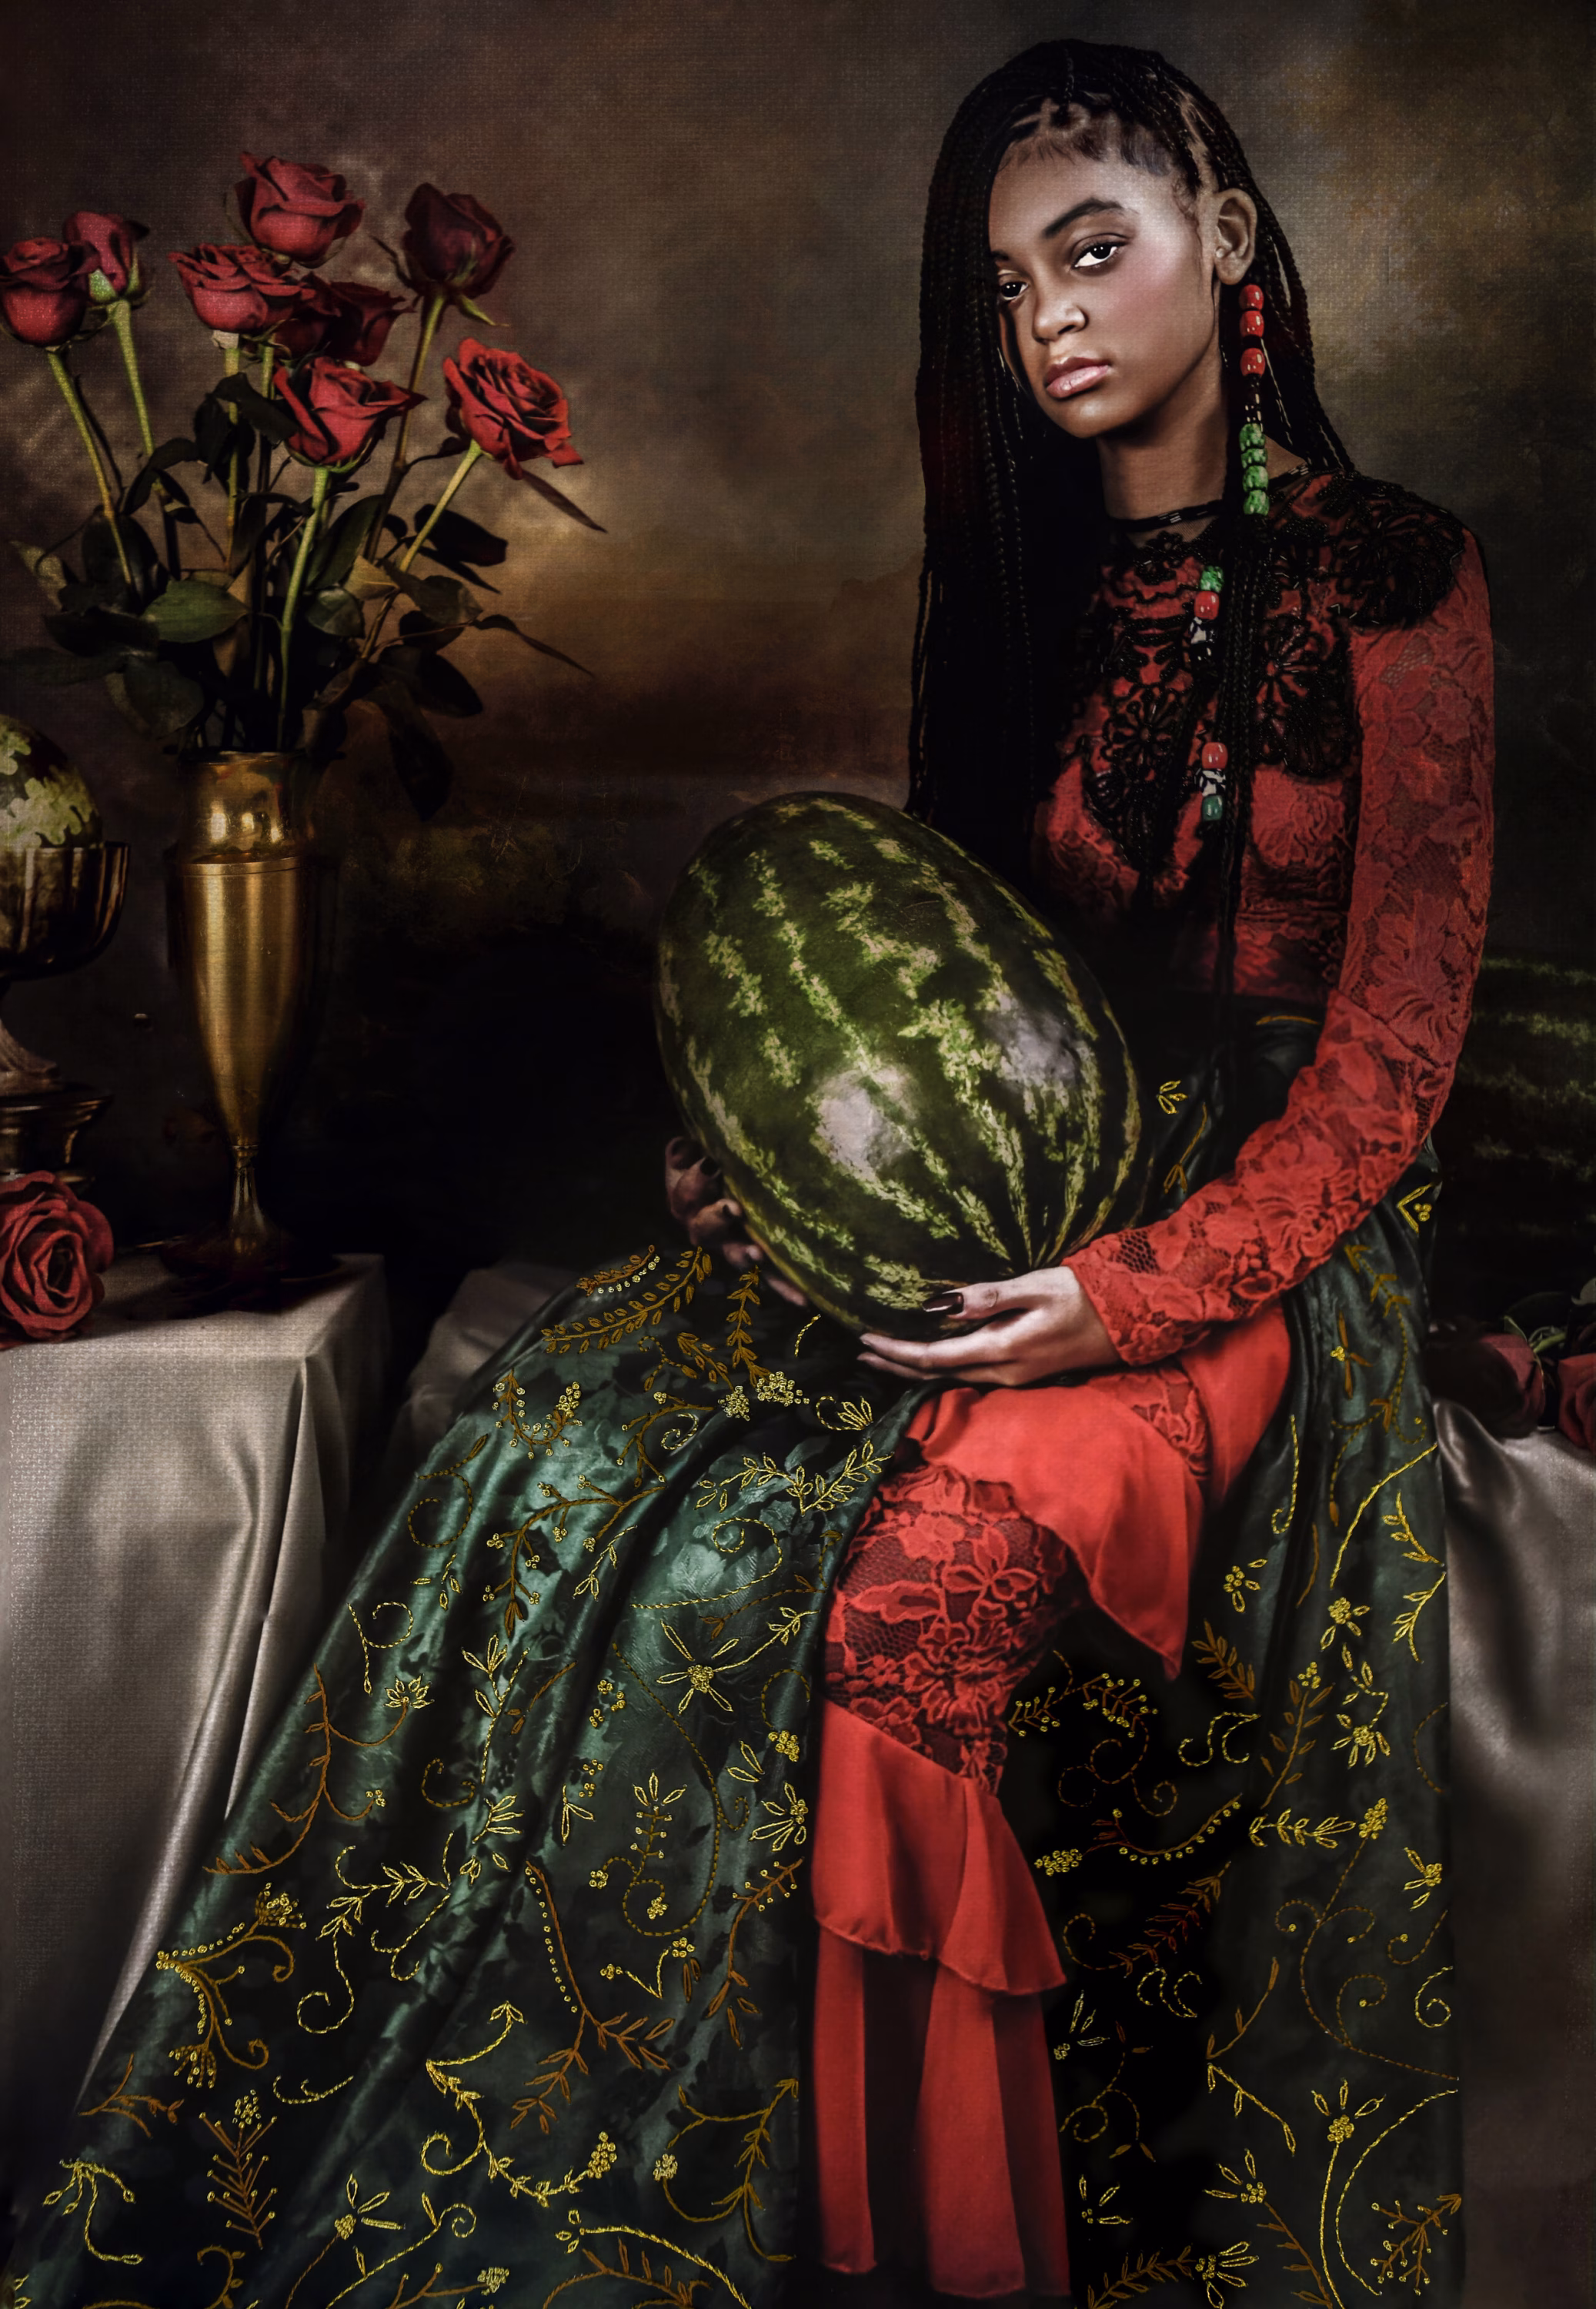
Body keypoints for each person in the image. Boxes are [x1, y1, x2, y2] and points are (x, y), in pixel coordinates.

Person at [7, 38, 1490, 2309]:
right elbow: (941, 982)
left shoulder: (1395, 578)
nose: (1051, 320)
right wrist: (766, 1162)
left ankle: (963, 2248)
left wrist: (1132, 1299)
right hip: (1025, 1170)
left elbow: (1391, 1073)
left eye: (1095, 250)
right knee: (572, 1439)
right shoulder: (1018, 589)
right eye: (1006, 286)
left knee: (915, 1588)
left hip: (1271, 1236)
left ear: (1236, 239)